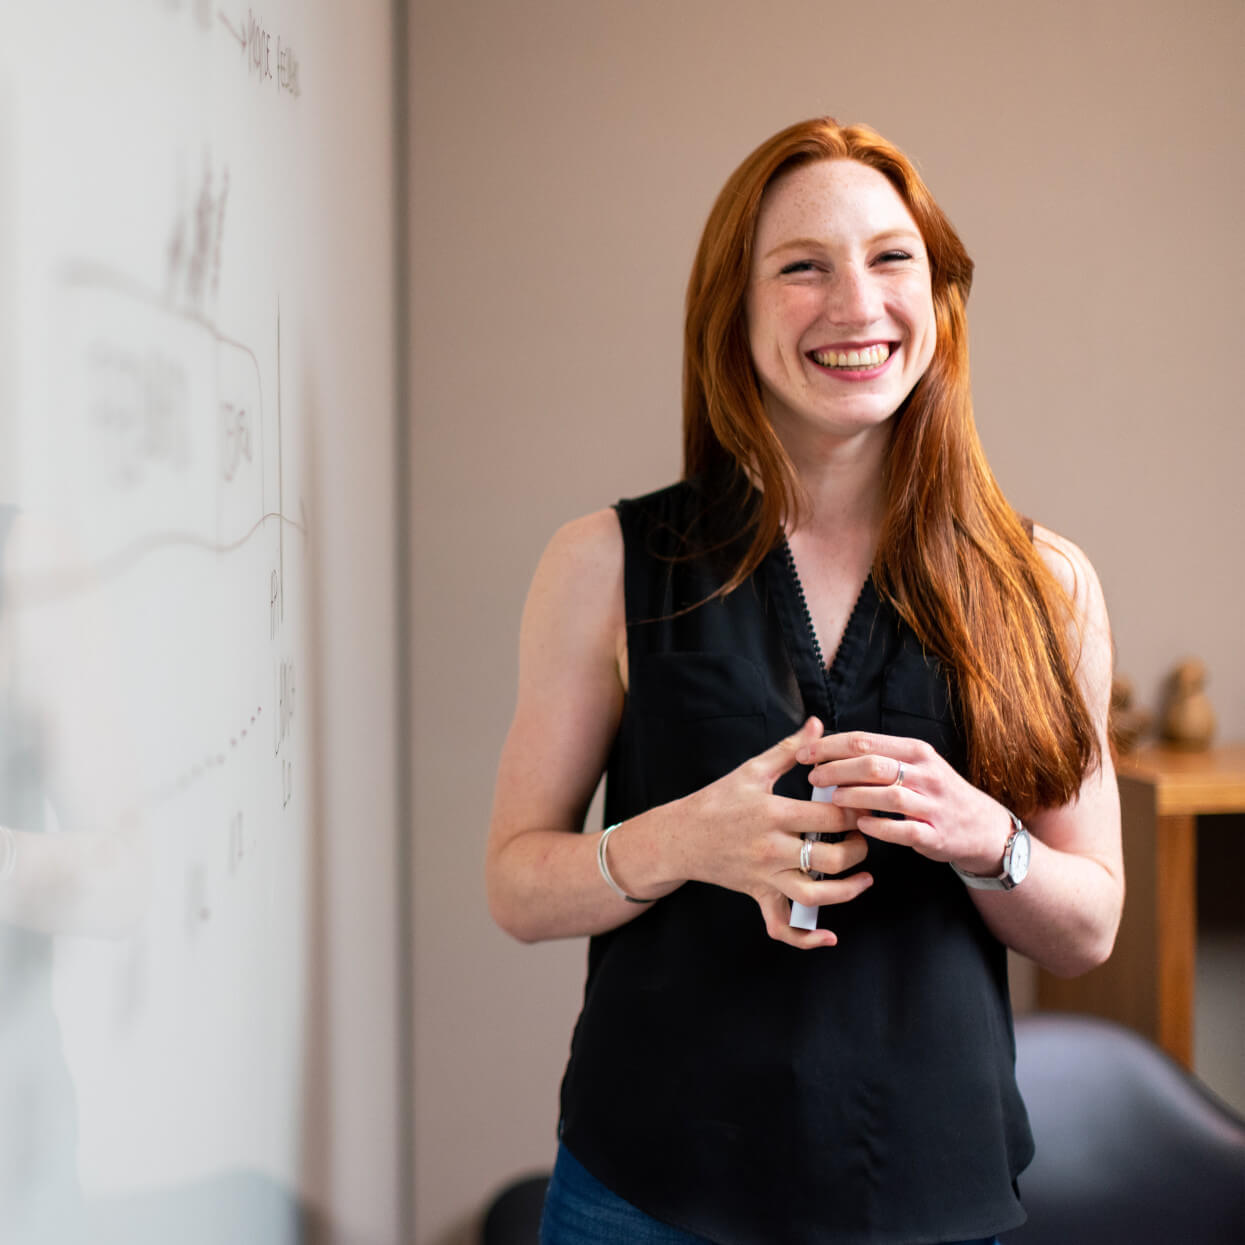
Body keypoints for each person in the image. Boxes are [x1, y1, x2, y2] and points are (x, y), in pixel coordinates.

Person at [485, 118, 1123, 1245]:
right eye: (802, 267)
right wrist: (681, 841)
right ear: (733, 309)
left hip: (933, 1198)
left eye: (891, 259)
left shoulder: (1047, 584)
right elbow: (517, 886)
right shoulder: (604, 564)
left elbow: (1088, 926)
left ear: (939, 296)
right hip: (647, 1198)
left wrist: (987, 838)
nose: (856, 304)